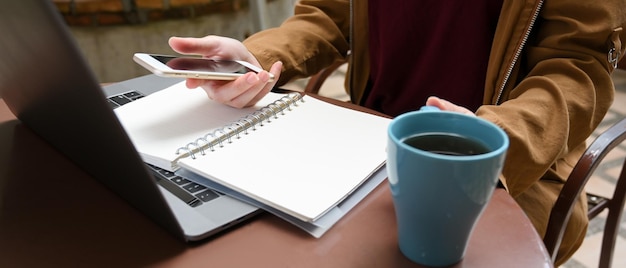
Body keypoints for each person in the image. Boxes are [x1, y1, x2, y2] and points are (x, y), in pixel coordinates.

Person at [167, 0, 626, 265]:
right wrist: (252, 57)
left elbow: (577, 67)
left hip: (502, 163)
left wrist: (491, 137)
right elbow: (326, 14)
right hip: (362, 134)